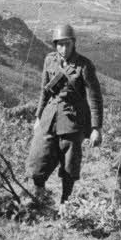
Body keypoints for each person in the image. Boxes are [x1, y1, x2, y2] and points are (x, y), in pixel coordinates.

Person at [25, 23, 103, 204]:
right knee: (38, 158)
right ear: (55, 44)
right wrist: (38, 117)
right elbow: (44, 91)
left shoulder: (84, 65)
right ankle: (39, 193)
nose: (63, 48)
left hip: (72, 120)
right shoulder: (49, 60)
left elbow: (95, 98)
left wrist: (96, 128)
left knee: (69, 165)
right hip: (49, 117)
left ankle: (65, 202)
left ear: (73, 43)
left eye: (67, 44)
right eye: (59, 44)